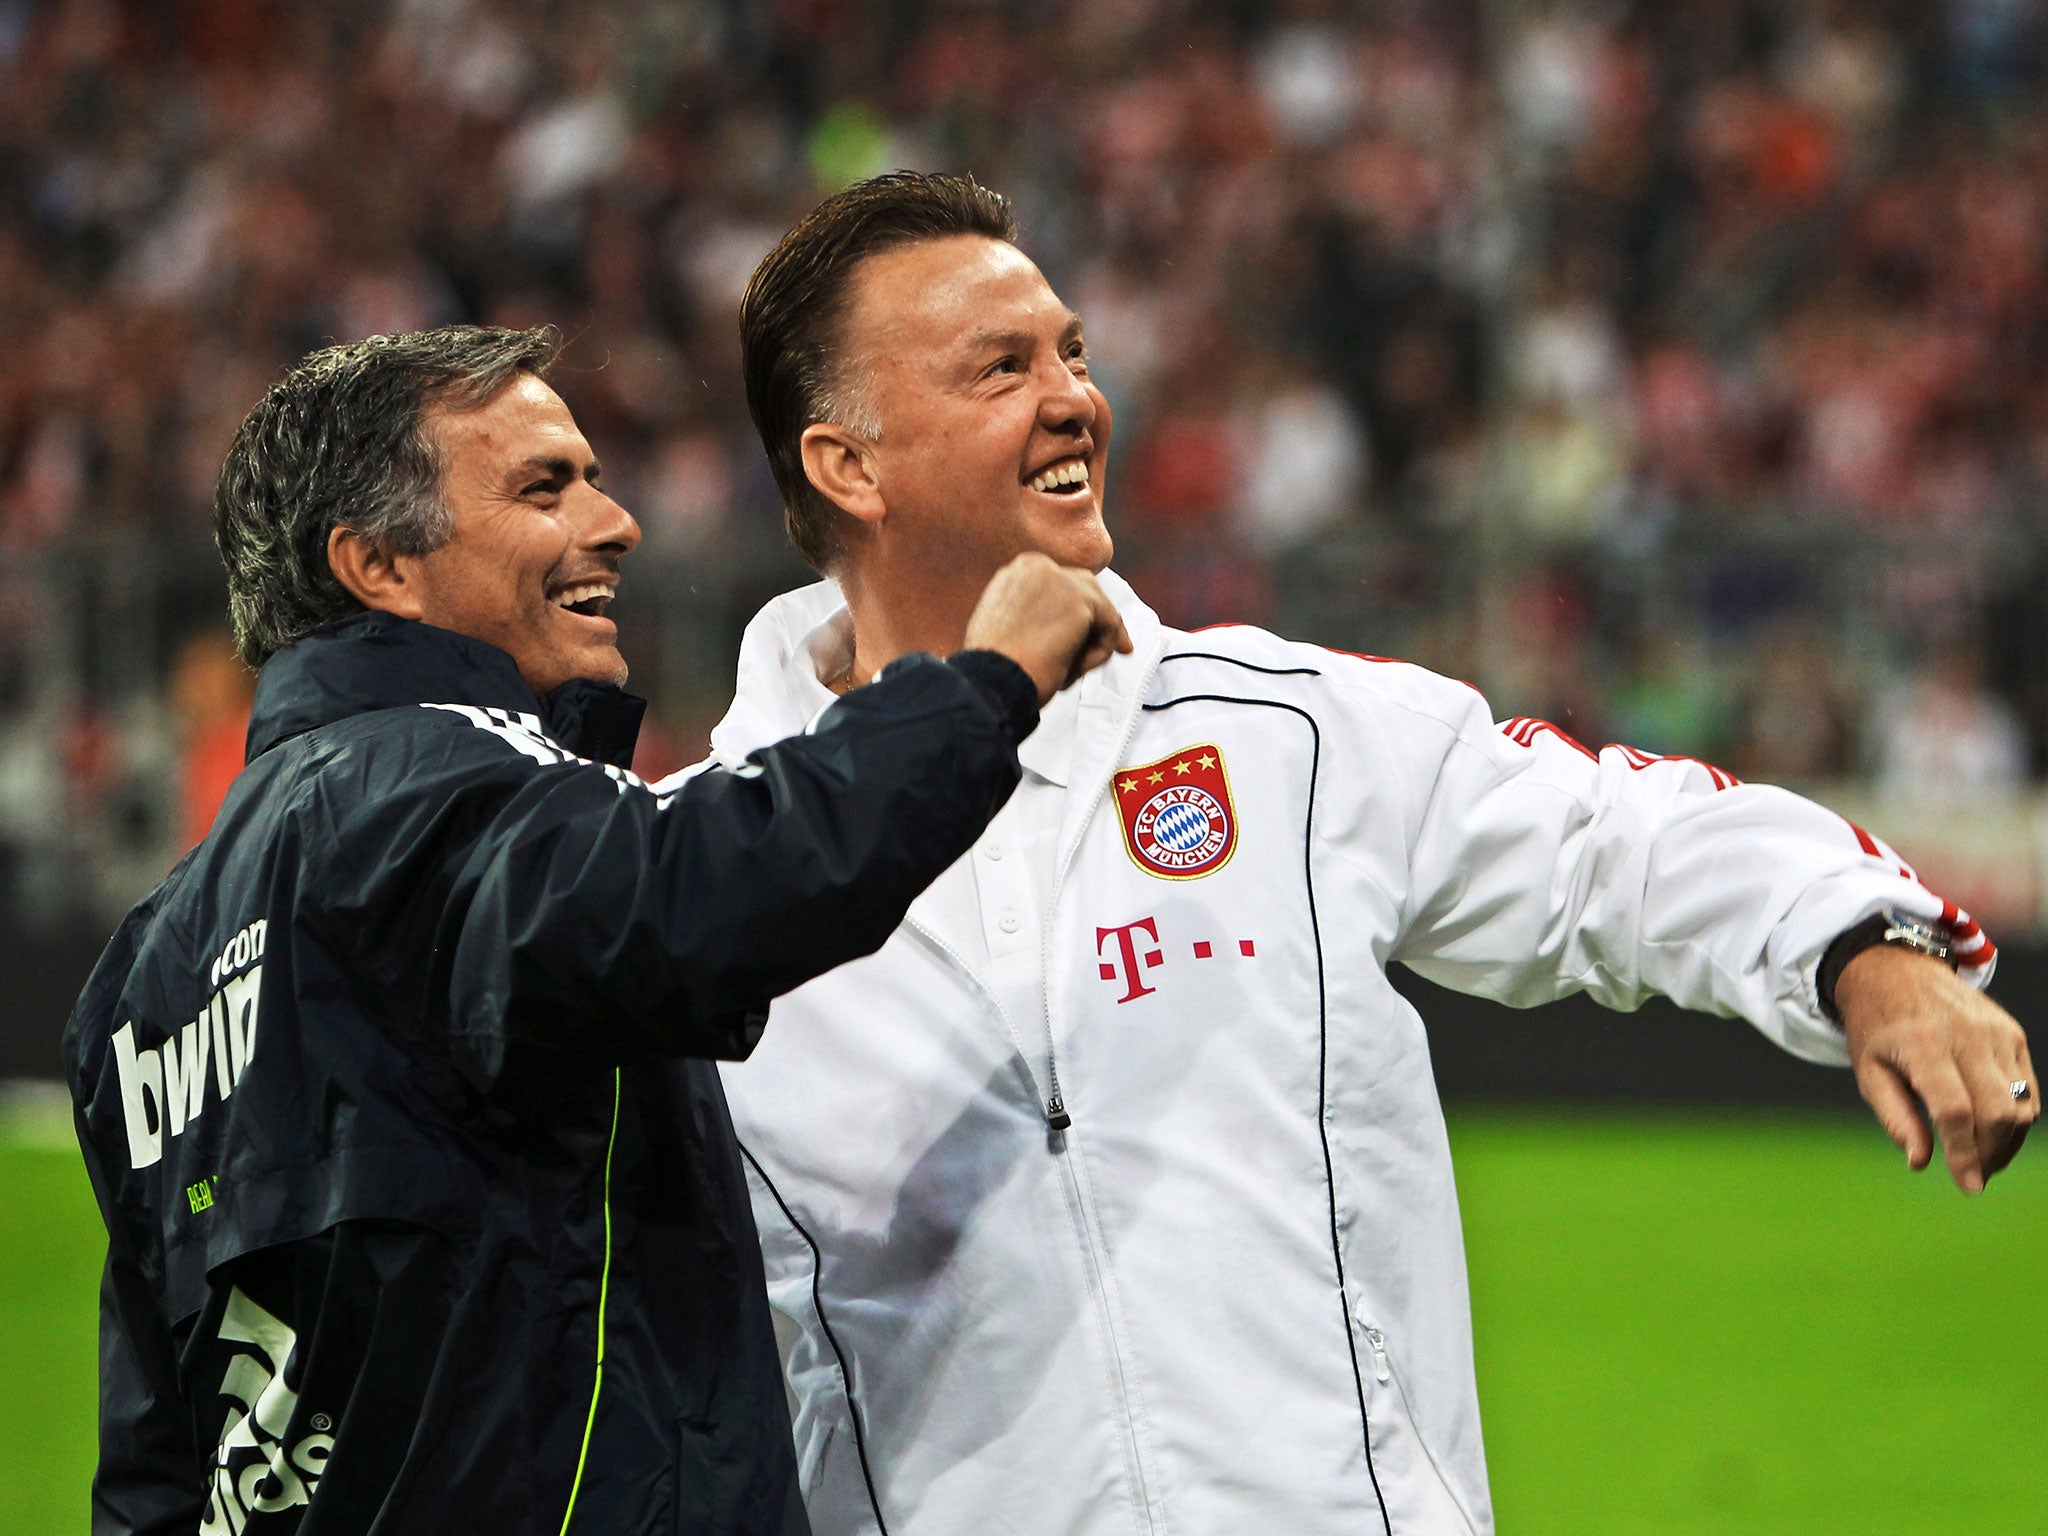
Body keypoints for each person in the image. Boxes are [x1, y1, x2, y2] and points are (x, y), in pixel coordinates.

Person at [696, 173, 2039, 1535]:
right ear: (847, 464)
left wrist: (1866, 944)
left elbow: (1613, 845)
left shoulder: (1288, 735)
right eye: (1002, 368)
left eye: (1075, 353)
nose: (1075, 400)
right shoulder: (708, 879)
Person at [63, 323, 1130, 1536]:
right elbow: (696, 894)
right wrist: (983, 683)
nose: (614, 525)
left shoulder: (140, 979)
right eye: (542, 487)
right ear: (375, 565)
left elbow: (155, 1466)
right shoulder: (420, 790)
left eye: (596, 478)